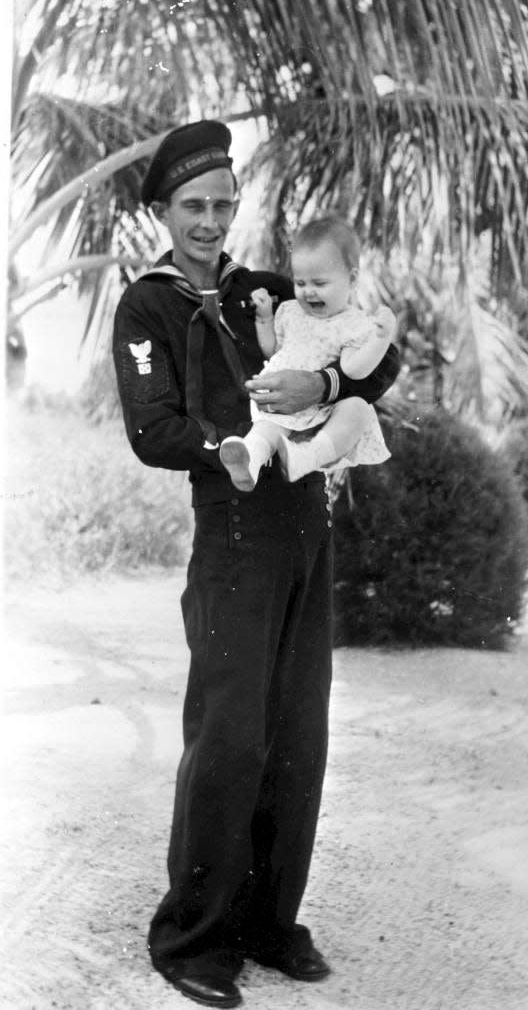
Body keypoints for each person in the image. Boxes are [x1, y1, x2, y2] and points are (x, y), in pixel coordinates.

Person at [112, 119, 400, 1009]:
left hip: (305, 525)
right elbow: (152, 429)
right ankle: (194, 937)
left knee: (298, 736)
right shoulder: (147, 306)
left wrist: (327, 389)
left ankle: (270, 921)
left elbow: (381, 359)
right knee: (231, 735)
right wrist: (234, 439)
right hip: (233, 531)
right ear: (163, 210)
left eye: (223, 206)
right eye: (193, 206)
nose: (209, 222)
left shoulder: (269, 289)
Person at [218, 216, 394, 492]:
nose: (308, 292)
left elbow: (354, 370)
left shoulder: (355, 324)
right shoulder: (290, 311)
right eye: (300, 283)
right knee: (265, 432)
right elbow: (273, 351)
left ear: (352, 279)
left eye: (320, 283)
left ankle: (308, 456)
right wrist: (264, 319)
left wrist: (381, 339)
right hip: (281, 400)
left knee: (357, 409)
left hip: (325, 410)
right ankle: (248, 462)